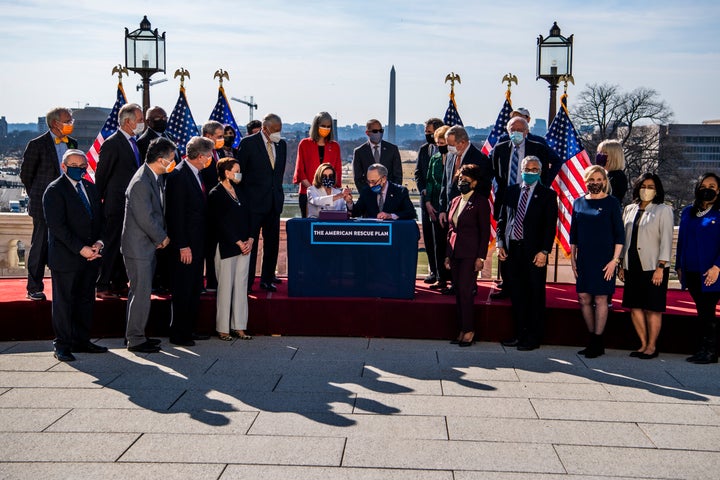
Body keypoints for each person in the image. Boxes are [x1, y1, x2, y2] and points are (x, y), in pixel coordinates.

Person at [43, 149, 106, 362]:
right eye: (75, 166)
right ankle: (62, 345)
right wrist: (81, 249)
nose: (80, 169)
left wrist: (99, 243)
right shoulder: (54, 190)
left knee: (86, 300)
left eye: (83, 166)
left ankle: (81, 340)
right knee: (64, 302)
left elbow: (100, 219)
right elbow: (57, 227)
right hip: (66, 258)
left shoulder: (90, 187)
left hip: (91, 257)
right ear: (64, 166)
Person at [490, 116, 560, 300]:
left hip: (533, 199)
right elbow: (496, 173)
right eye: (512, 130)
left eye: (520, 130)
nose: (516, 133)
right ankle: (507, 285)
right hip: (510, 198)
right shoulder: (499, 149)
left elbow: (556, 161)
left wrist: (543, 182)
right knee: (506, 241)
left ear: (527, 131)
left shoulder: (539, 147)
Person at [496, 156, 558, 351]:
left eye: (534, 169)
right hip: (512, 249)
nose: (529, 172)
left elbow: (550, 227)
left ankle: (533, 336)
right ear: (520, 170)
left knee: (534, 294)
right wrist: (500, 244)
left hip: (534, 253)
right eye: (526, 168)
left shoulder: (547, 195)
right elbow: (502, 220)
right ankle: (519, 333)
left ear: (539, 172)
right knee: (517, 294)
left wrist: (544, 251)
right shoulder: (511, 191)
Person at [121, 137, 176, 354]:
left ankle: (137, 334)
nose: (173, 163)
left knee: (141, 293)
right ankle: (135, 339)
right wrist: (161, 237)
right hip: (138, 248)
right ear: (161, 160)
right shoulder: (141, 182)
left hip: (145, 247)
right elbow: (145, 217)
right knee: (140, 293)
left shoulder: (153, 177)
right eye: (171, 159)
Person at [20, 107, 77, 301]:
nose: (72, 123)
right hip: (43, 205)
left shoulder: (72, 143)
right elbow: (26, 175)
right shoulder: (37, 144)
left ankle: (65, 287)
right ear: (55, 123)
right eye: (68, 120)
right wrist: (41, 197)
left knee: (66, 246)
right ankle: (34, 287)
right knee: (40, 246)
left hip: (68, 204)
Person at [165, 136, 215, 346]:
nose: (211, 159)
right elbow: (175, 215)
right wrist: (182, 244)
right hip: (185, 246)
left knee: (194, 288)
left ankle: (189, 329)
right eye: (210, 155)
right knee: (183, 289)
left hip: (198, 242)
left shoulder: (196, 174)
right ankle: (179, 333)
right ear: (201, 156)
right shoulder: (178, 175)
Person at [570, 165, 624, 358]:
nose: (595, 183)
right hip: (584, 258)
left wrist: (614, 261)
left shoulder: (612, 203)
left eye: (599, 179)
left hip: (605, 260)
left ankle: (598, 341)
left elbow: (620, 235)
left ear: (605, 181)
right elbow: (573, 235)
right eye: (591, 180)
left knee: (601, 298)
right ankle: (591, 337)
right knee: (584, 298)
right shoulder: (578, 203)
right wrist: (573, 260)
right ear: (586, 182)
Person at [617, 173, 673, 360]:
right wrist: (622, 264)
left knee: (652, 308)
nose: (646, 190)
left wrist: (661, 266)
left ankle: (652, 346)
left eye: (651, 187)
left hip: (653, 267)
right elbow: (625, 239)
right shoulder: (629, 209)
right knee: (635, 306)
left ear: (657, 190)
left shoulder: (663, 210)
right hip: (632, 265)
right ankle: (642, 344)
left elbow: (666, 239)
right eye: (643, 186)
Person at [95, 102, 144, 298]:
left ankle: (119, 282)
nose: (142, 124)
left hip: (131, 204)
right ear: (127, 121)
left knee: (125, 244)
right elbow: (102, 175)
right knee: (111, 243)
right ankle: (103, 284)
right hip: (115, 204)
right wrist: (99, 201)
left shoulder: (135, 143)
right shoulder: (112, 143)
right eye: (139, 120)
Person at [237, 113, 287, 292]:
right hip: (253, 204)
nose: (278, 134)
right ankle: (247, 281)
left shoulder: (282, 145)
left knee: (272, 243)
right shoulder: (248, 144)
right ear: (265, 129)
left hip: (274, 203)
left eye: (280, 130)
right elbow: (240, 174)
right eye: (275, 130)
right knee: (251, 244)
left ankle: (267, 279)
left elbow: (278, 174)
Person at [444, 164, 491, 347]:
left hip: (470, 254)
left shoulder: (480, 202)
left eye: (466, 180)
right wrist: (448, 255)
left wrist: (481, 257)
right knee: (458, 292)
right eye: (460, 179)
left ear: (475, 183)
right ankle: (462, 329)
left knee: (466, 292)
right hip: (455, 252)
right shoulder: (456, 200)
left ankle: (469, 330)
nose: (462, 182)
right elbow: (450, 229)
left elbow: (484, 231)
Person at [676, 172, 720, 364]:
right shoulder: (687, 212)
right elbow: (681, 241)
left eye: (712, 187)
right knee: (702, 311)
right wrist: (679, 265)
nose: (707, 190)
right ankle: (704, 349)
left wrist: (717, 267)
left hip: (711, 272)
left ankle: (710, 351)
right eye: (703, 186)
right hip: (691, 270)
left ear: (719, 191)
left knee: (708, 311)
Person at [208, 157, 254, 341]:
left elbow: (250, 215)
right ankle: (223, 328)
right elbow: (219, 222)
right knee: (225, 288)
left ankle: (239, 326)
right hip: (227, 247)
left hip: (245, 247)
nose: (239, 173)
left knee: (241, 287)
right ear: (226, 173)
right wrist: (237, 241)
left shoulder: (240, 191)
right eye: (236, 170)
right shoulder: (216, 193)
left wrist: (250, 239)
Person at [293, 112, 343, 217]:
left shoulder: (335, 146)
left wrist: (327, 191)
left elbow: (337, 172)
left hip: (330, 194)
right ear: (316, 126)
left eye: (328, 127)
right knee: (309, 228)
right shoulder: (304, 144)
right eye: (323, 126)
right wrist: (313, 190)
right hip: (307, 193)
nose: (326, 129)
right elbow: (300, 171)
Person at [415, 118, 444, 284]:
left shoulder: (447, 150)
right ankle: (433, 271)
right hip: (426, 201)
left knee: (442, 241)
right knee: (429, 238)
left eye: (429, 132)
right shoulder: (423, 149)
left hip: (442, 202)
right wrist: (424, 190)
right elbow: (418, 173)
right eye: (426, 132)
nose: (427, 135)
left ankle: (444, 274)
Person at [199, 120, 226, 292]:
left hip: (219, 209)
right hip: (204, 207)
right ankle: (200, 282)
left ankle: (213, 280)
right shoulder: (200, 155)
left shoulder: (220, 152)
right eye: (219, 136)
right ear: (208, 136)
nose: (222, 139)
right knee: (203, 247)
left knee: (214, 247)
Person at [424, 125, 452, 291]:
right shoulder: (434, 159)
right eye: (438, 142)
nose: (440, 145)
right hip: (434, 207)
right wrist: (427, 203)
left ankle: (454, 278)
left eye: (443, 142)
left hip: (451, 208)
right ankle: (440, 277)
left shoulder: (455, 158)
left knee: (452, 245)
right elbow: (429, 181)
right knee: (438, 244)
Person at [349, 163, 415, 220]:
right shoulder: (366, 191)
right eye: (369, 182)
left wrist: (390, 216)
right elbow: (356, 212)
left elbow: (411, 213)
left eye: (373, 182)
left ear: (384, 179)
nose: (371, 185)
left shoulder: (400, 191)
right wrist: (349, 202)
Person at [352, 119, 402, 191]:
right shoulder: (359, 152)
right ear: (367, 133)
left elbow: (398, 176)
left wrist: (392, 193)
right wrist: (367, 195)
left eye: (381, 131)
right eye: (375, 131)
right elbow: (358, 178)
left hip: (389, 195)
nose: (378, 133)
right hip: (368, 196)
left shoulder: (392, 149)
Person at [596, 139, 628, 204]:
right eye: (599, 152)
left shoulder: (618, 177)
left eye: (604, 153)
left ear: (613, 156)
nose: (600, 155)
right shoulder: (607, 175)